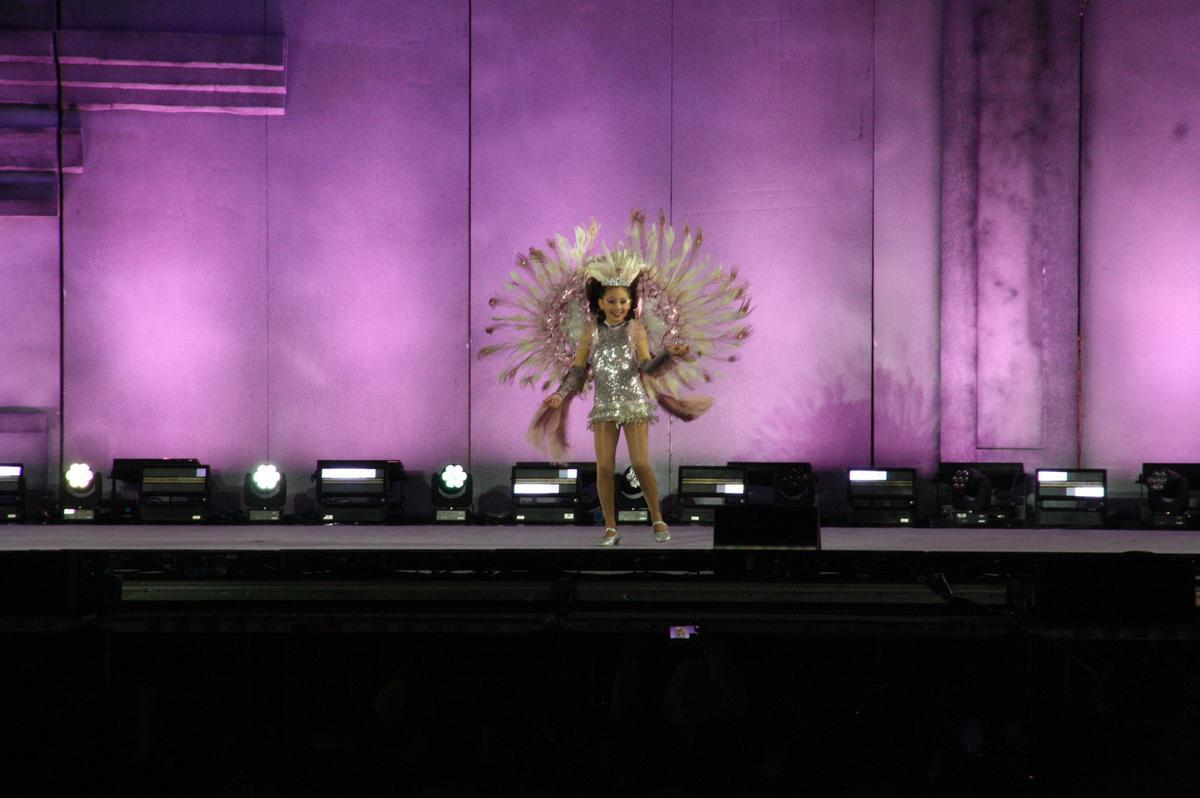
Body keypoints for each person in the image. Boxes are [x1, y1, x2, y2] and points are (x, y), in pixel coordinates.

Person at [542, 257, 689, 545]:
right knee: (604, 468)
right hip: (605, 407)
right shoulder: (591, 332)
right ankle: (610, 527)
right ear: (599, 302)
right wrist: (560, 394)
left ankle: (657, 517)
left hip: (633, 403)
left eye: (624, 301)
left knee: (641, 464)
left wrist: (670, 354)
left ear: (631, 302)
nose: (619, 307)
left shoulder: (636, 329)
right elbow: (577, 370)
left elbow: (646, 367)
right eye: (612, 301)